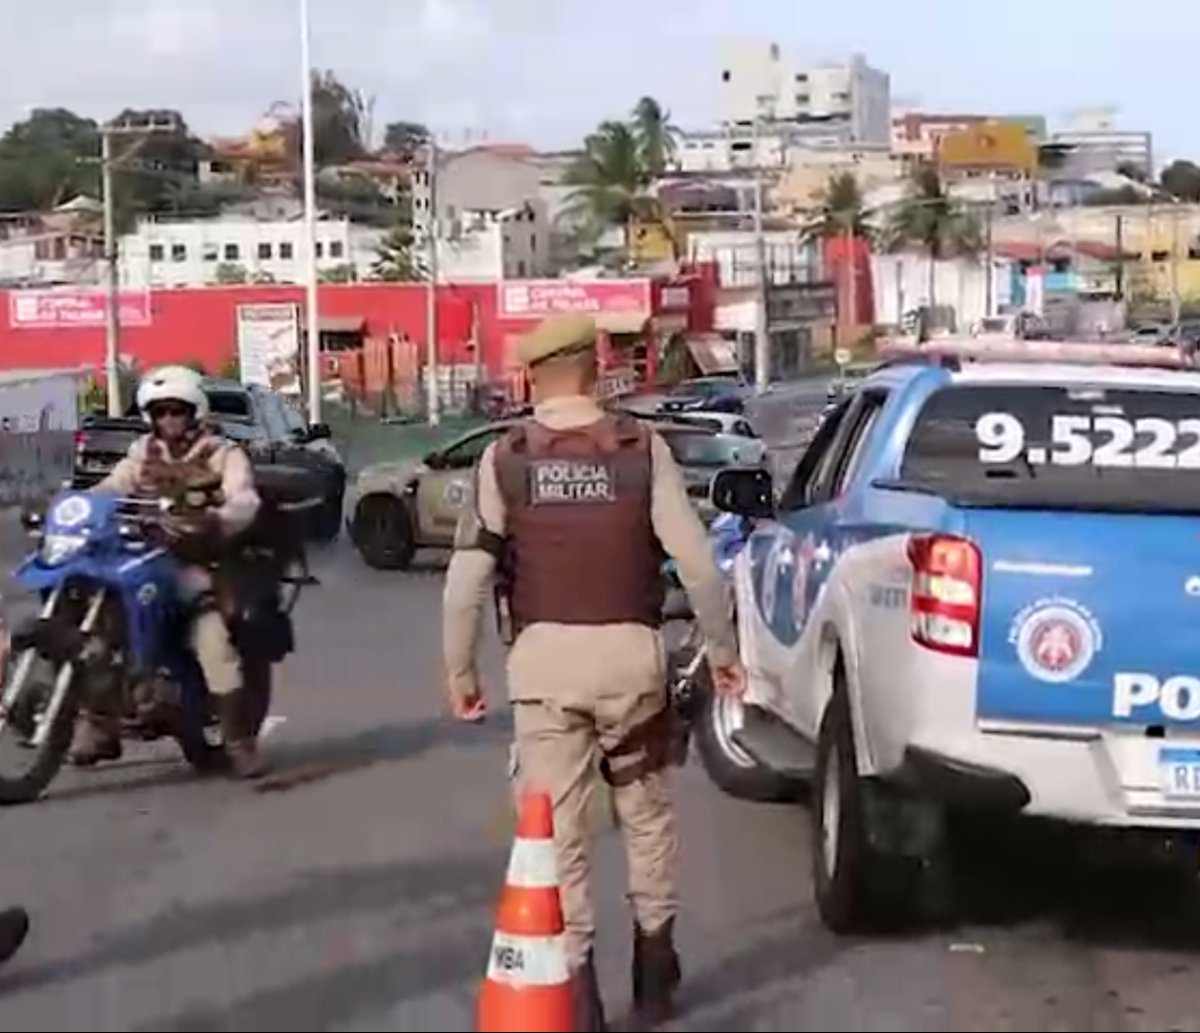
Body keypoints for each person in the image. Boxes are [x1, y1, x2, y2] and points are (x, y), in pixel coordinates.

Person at [442, 313, 744, 1030]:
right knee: (646, 816)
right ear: (596, 364)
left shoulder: (505, 458)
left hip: (545, 667)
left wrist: (461, 671)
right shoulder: (643, 448)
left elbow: (465, 582)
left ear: (532, 376)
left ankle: (579, 995)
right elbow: (699, 566)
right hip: (631, 659)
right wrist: (723, 652)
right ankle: (654, 970)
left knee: (559, 833)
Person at [78, 365, 265, 778]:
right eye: (160, 412)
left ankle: (239, 741)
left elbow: (245, 499)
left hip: (198, 563)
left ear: (194, 411)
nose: (168, 420)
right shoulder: (142, 453)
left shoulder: (223, 453)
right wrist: (75, 506)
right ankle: (100, 725)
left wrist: (217, 519)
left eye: (176, 411)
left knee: (214, 643)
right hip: (142, 562)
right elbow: (111, 488)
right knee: (103, 630)